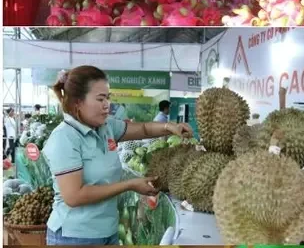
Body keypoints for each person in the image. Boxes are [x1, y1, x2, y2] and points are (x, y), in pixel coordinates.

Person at [43, 66, 193, 245]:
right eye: (100, 99)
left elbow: (144, 129)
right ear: (78, 102)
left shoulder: (106, 128)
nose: (107, 105)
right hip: (74, 236)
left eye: (108, 97)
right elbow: (74, 196)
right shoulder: (65, 137)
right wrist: (129, 185)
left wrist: (170, 127)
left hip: (107, 232)